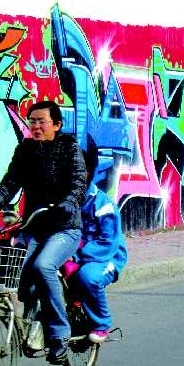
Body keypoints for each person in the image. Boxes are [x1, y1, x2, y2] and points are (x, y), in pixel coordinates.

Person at [0, 100, 87, 364]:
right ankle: (34, 318)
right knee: (16, 267)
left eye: (41, 121)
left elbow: (79, 183)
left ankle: (59, 335)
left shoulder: (69, 147)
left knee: (43, 266)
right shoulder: (25, 150)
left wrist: (68, 203)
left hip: (65, 228)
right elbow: (10, 183)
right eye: (32, 121)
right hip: (34, 227)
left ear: (56, 125)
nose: (35, 126)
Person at [65, 137, 128, 343]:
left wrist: (77, 256)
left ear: (89, 172)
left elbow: (108, 242)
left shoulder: (103, 204)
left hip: (106, 257)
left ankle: (101, 324)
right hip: (75, 255)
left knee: (88, 277)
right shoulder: (66, 200)